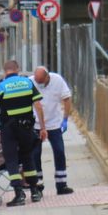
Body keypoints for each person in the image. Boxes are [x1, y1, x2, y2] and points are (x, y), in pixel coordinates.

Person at [0, 59, 47, 206]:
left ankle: (19, 194)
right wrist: (42, 128)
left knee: (11, 160)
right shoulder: (27, 83)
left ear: (5, 71)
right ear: (18, 69)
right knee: (28, 157)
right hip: (26, 128)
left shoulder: (1, 86)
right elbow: (38, 106)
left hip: (8, 129)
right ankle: (34, 191)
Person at [31, 64, 75, 195]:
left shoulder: (57, 80)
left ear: (47, 77)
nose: (39, 84)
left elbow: (66, 99)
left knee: (59, 151)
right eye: (37, 82)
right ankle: (38, 184)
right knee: (35, 154)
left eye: (41, 82)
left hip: (54, 124)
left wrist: (65, 119)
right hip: (36, 124)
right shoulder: (30, 81)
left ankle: (61, 184)